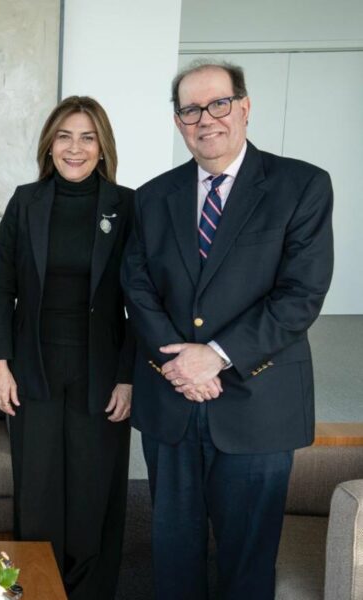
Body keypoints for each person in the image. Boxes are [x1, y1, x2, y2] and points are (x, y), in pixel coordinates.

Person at [122, 60, 334, 599]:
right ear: (177, 122)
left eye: (218, 104)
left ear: (243, 107)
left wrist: (213, 355)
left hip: (257, 403)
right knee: (172, 554)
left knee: (247, 562)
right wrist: (180, 364)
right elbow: (138, 287)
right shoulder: (150, 197)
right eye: (191, 109)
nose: (206, 119)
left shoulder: (301, 185)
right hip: (172, 402)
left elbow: (300, 294)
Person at [0, 96, 135, 598]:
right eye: (65, 136)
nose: (75, 148)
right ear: (50, 145)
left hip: (103, 371)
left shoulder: (127, 205)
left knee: (93, 493)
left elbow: (144, 298)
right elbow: (2, 287)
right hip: (35, 370)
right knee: (40, 493)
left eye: (87, 137)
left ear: (102, 147)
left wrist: (130, 375)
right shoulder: (24, 202)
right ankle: (38, 589)